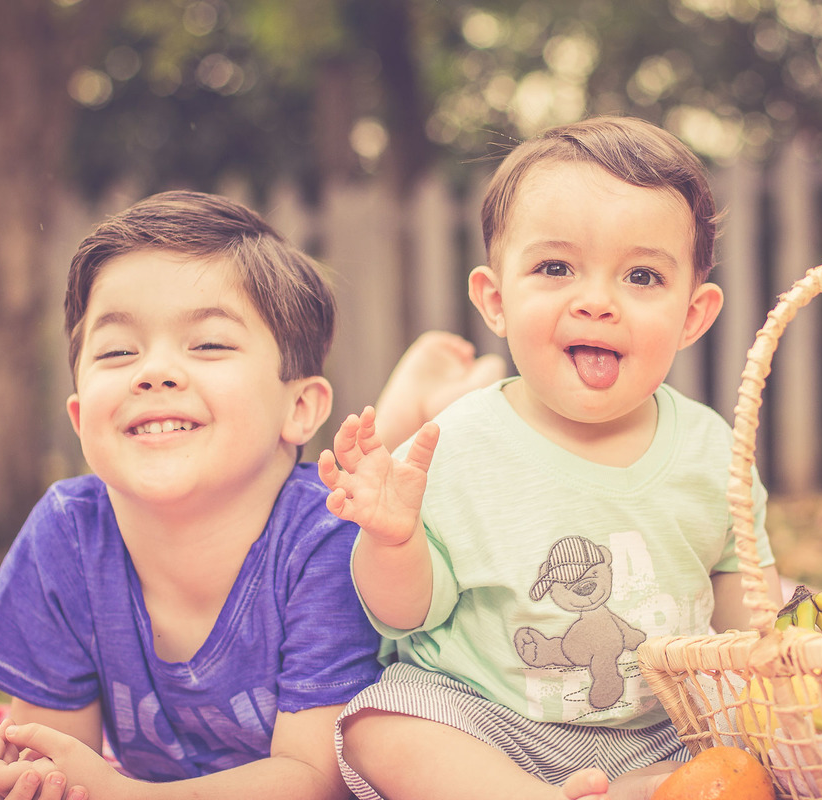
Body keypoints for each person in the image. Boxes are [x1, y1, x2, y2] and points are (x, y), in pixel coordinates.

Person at [0, 190, 505, 800]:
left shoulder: (327, 544)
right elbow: (54, 751)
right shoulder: (68, 531)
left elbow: (316, 778)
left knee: (377, 496)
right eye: (117, 351)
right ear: (81, 419)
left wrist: (122, 794)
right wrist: (32, 779)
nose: (153, 371)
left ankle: (427, 413)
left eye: (209, 344)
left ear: (300, 408)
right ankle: (402, 409)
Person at [317, 116, 783, 800]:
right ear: (496, 301)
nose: (596, 301)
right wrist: (393, 538)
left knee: (747, 757)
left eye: (643, 275)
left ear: (693, 314)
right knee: (382, 728)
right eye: (556, 267)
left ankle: (628, 791)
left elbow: (743, 589)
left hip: (657, 729)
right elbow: (407, 613)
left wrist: (789, 646)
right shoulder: (457, 442)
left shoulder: (711, 447)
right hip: (484, 717)